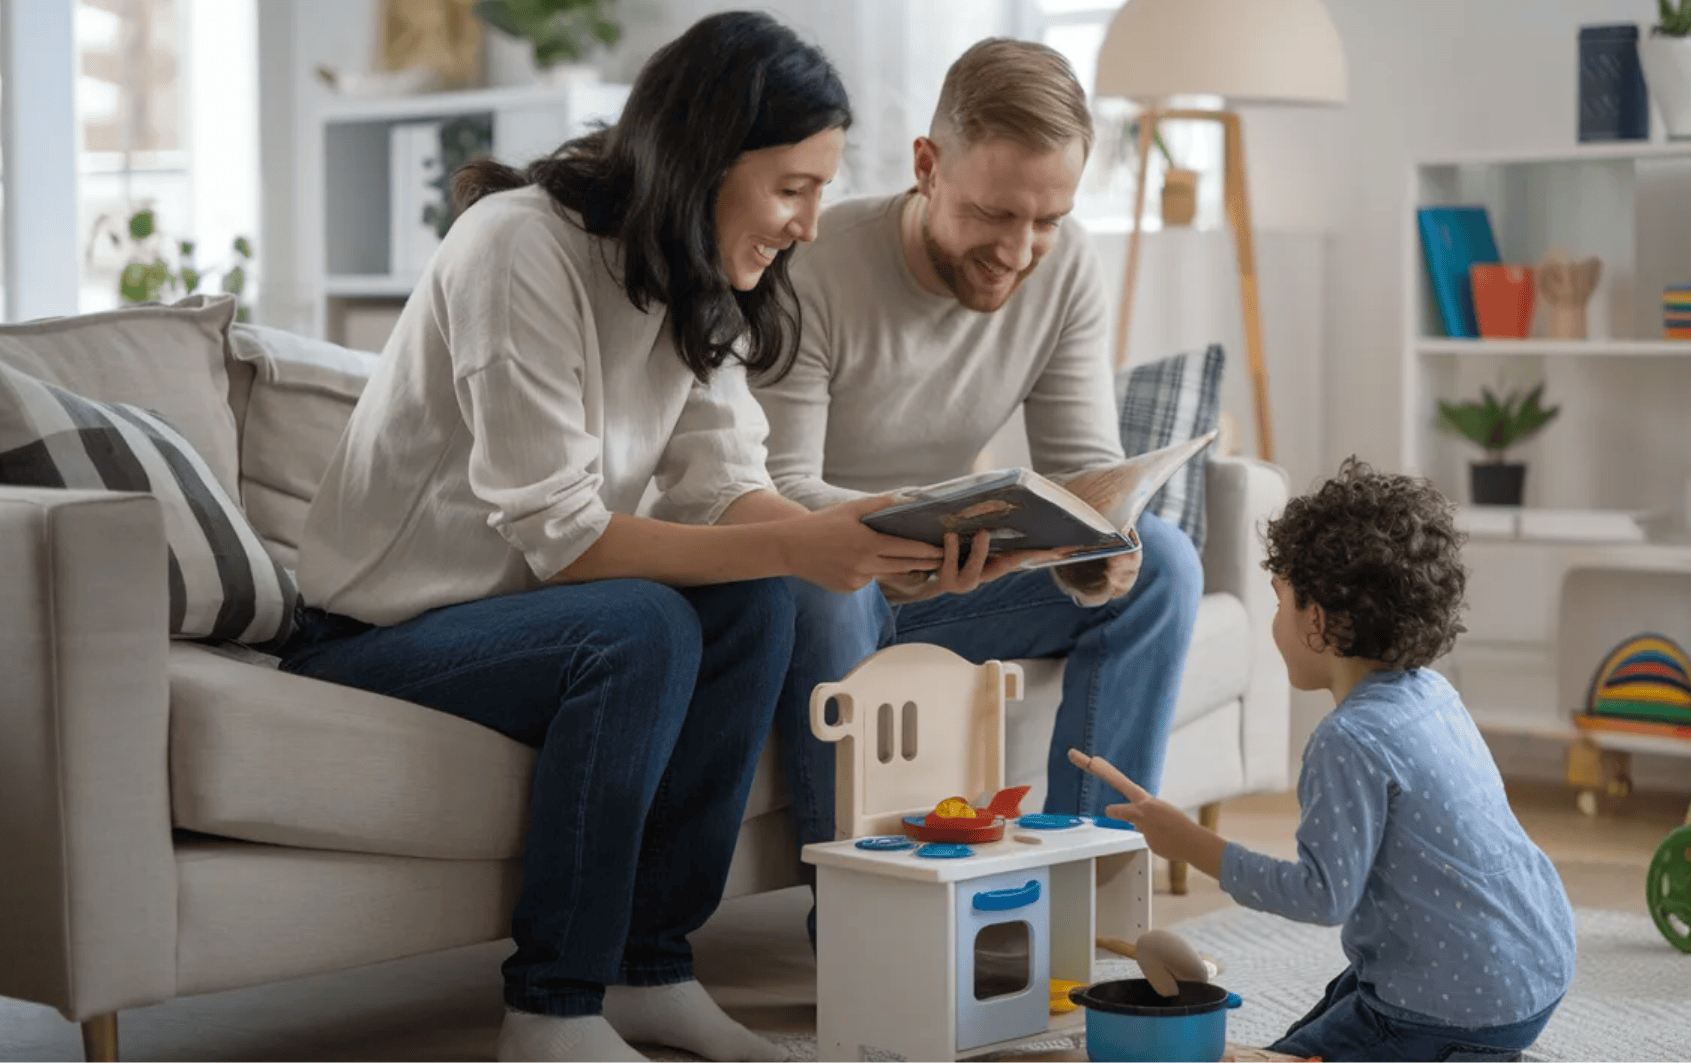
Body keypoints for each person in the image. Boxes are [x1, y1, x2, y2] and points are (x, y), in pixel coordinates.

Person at [281, 12, 943, 1063]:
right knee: (640, 625)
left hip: (529, 614)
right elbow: (563, 536)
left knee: (756, 596)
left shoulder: (697, 272)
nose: (810, 225)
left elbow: (727, 487)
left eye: (821, 191)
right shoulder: (515, 246)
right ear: (702, 157)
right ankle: (550, 1008)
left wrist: (856, 535)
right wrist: (798, 544)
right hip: (373, 635)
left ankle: (650, 968)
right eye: (792, 187)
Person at [754, 37, 1204, 860]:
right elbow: (780, 489)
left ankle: (1090, 872)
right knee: (828, 590)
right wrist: (907, 542)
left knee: (1167, 562)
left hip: (952, 580)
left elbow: (1085, 473)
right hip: (824, 581)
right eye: (993, 214)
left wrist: (1100, 551)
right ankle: (862, 920)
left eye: (1048, 220)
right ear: (927, 166)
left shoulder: (1061, 269)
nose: (1019, 250)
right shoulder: (814, 266)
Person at [1086, 458, 1577, 1062]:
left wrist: (1189, 843)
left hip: (1456, 1006)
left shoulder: (1349, 740)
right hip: (1535, 969)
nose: (1276, 621)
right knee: (1323, 1017)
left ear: (1316, 620)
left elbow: (1321, 897)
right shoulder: (1434, 695)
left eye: (1280, 602)